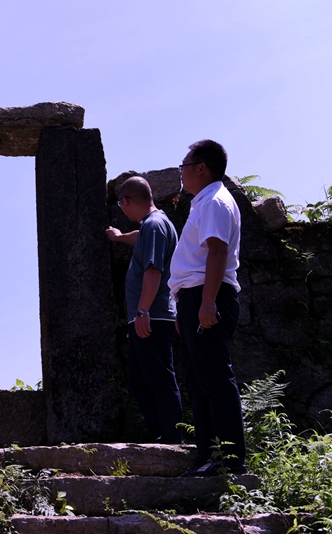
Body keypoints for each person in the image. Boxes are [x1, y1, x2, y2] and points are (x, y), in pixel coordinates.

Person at [168, 140, 247, 476]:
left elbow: (216, 252)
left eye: (184, 166)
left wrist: (207, 301)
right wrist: (183, 305)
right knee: (199, 381)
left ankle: (229, 460)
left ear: (202, 168)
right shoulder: (203, 202)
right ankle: (207, 456)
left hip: (206, 295)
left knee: (214, 378)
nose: (181, 173)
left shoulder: (215, 201)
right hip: (195, 298)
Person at [106, 176, 182, 444]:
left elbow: (153, 271)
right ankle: (162, 434)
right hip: (149, 315)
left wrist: (142, 312)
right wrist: (119, 238)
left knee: (159, 378)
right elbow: (141, 237)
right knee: (141, 380)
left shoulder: (155, 226)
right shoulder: (154, 224)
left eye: (120, 203)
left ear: (125, 201)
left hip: (152, 316)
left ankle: (173, 439)